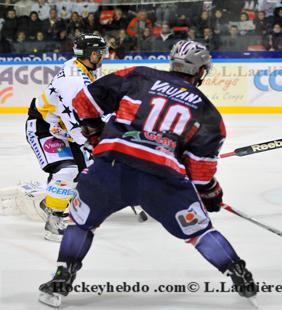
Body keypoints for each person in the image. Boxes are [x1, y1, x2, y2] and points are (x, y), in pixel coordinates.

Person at [38, 40, 258, 307]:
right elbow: (200, 173)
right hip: (161, 180)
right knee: (199, 232)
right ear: (200, 71)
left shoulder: (139, 75)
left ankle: (61, 278)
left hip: (109, 169)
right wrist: (211, 193)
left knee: (80, 223)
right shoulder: (209, 113)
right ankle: (239, 273)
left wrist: (96, 134)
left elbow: (84, 101)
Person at [25, 34, 107, 241]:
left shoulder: (82, 69)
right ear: (92, 54)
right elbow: (74, 121)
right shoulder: (73, 80)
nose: (103, 57)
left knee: (83, 171)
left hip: (61, 129)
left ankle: (50, 201)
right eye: (101, 53)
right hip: (44, 128)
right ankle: (53, 222)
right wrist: (93, 145)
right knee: (68, 170)